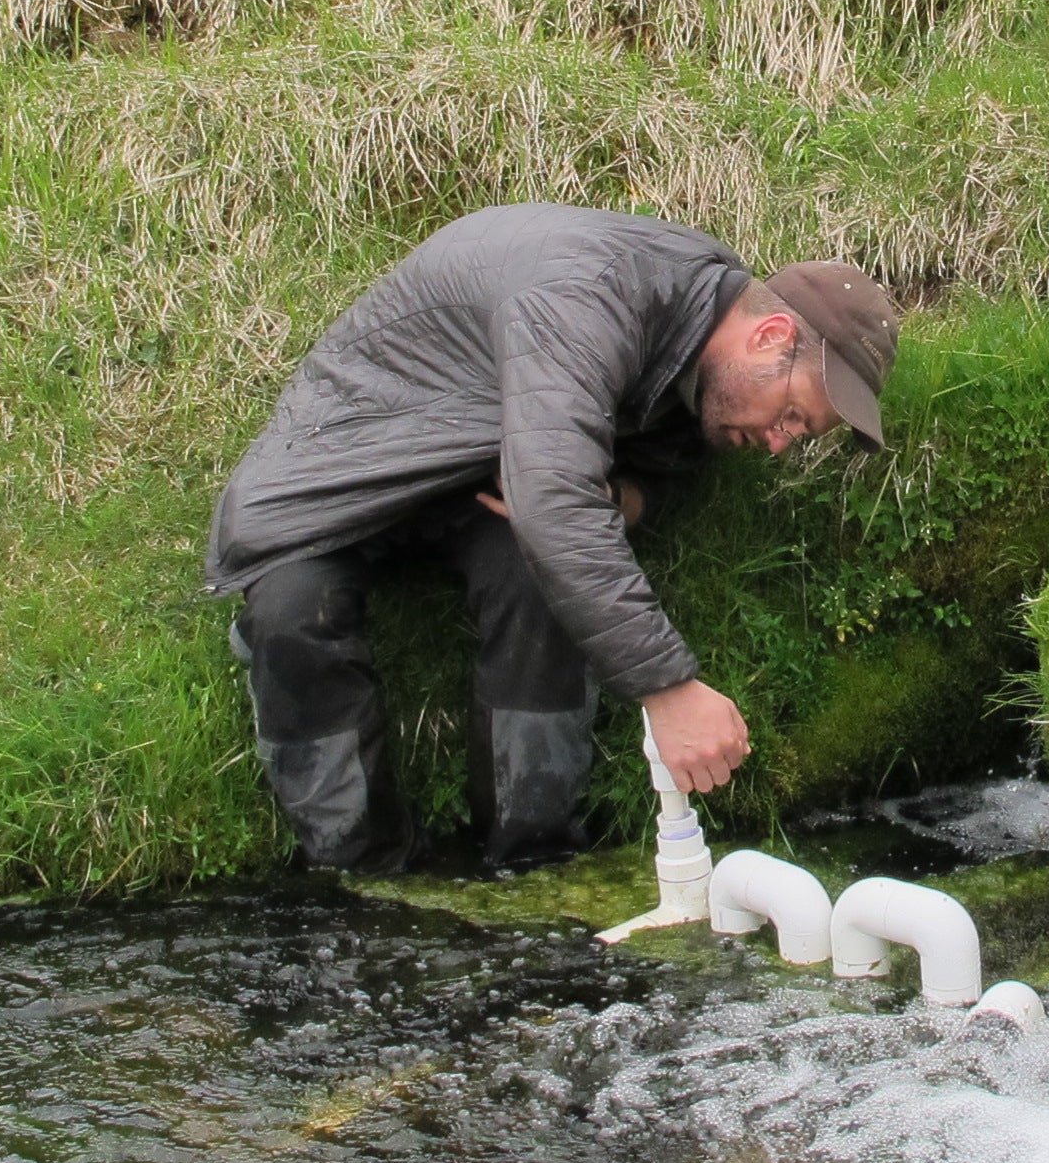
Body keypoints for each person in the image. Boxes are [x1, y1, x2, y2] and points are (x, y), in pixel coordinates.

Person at [205, 203, 900, 871]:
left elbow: (629, 466)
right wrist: (668, 687)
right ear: (771, 335)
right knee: (293, 615)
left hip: (486, 469)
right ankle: (361, 880)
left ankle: (530, 864)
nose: (779, 445)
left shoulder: (702, 325)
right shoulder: (589, 294)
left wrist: (628, 498)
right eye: (794, 416)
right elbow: (555, 501)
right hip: (352, 461)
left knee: (539, 579)